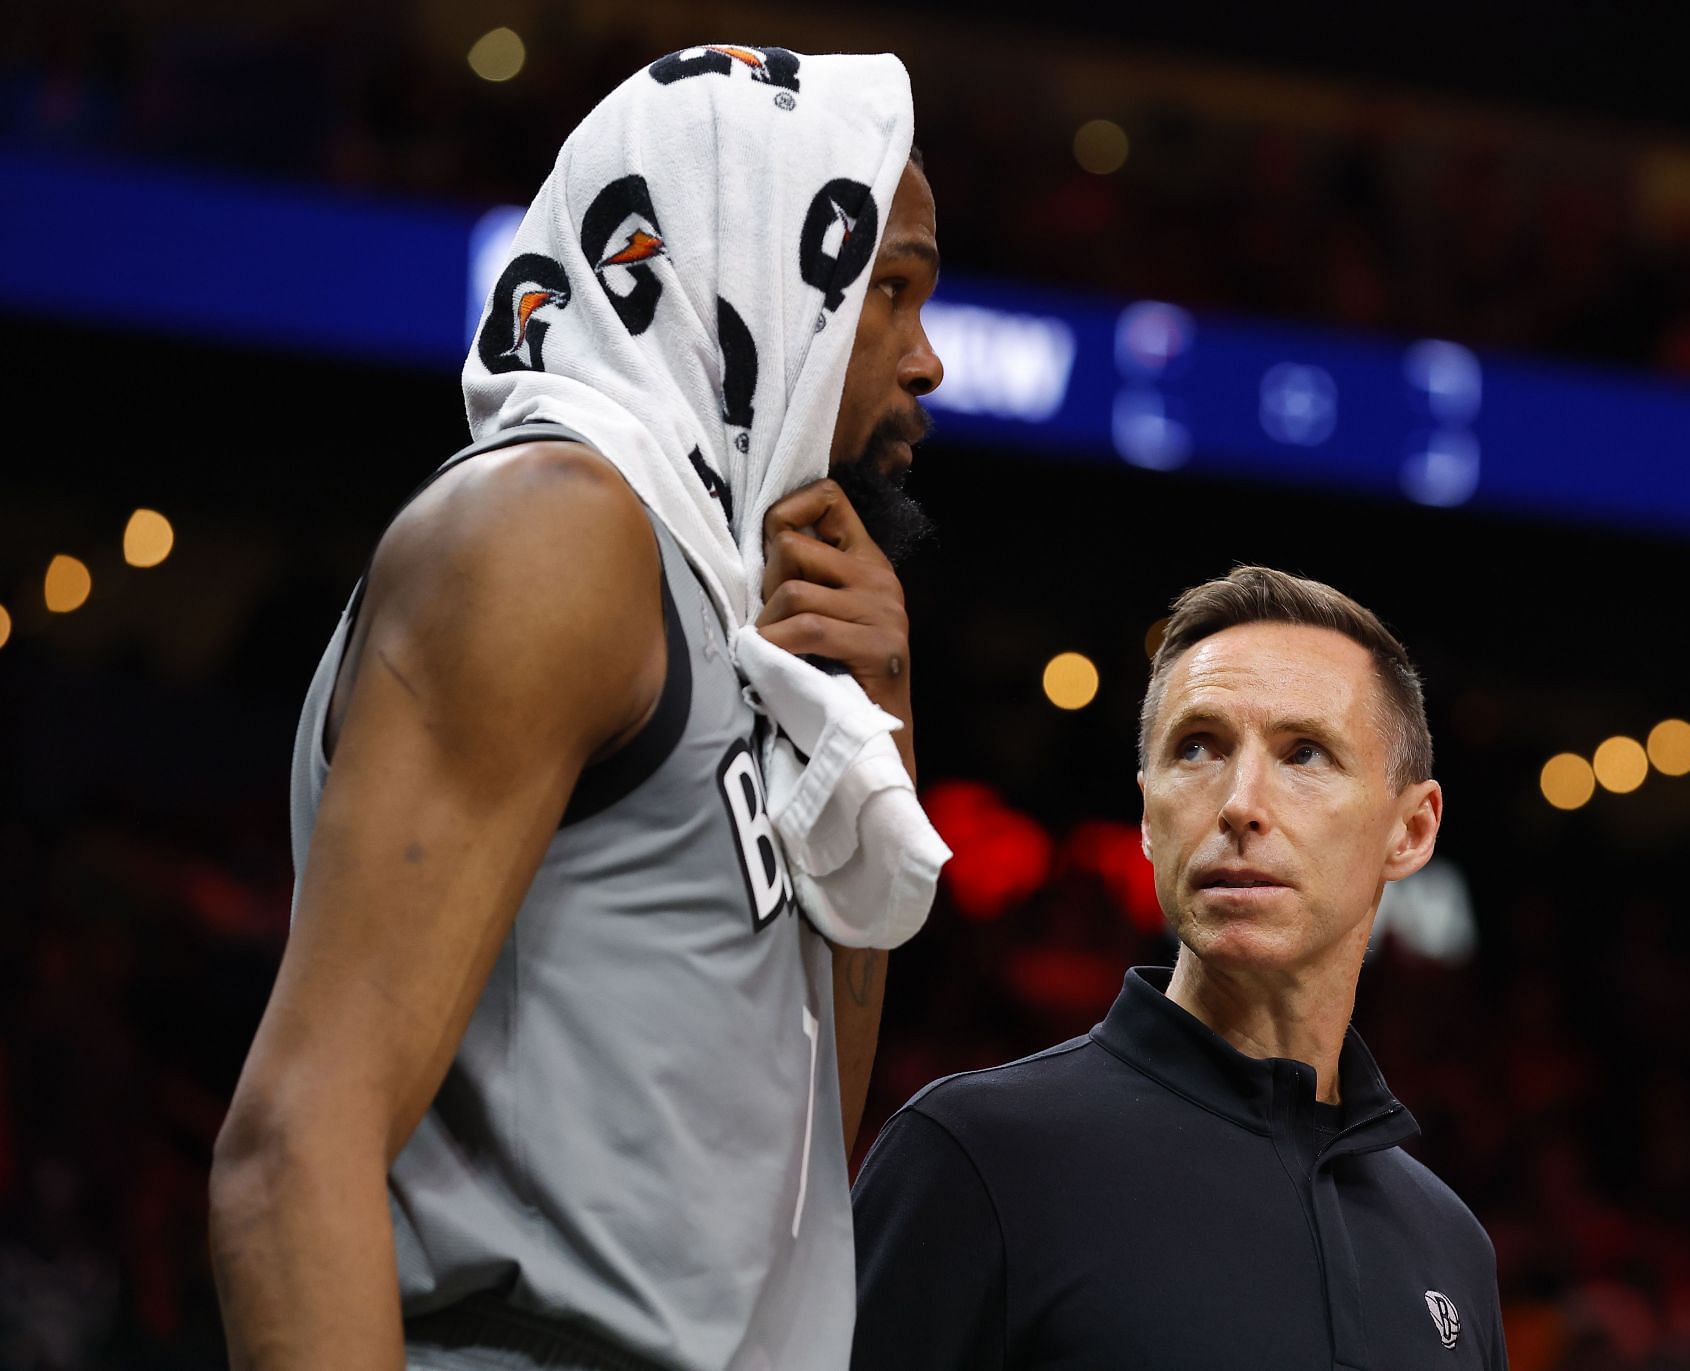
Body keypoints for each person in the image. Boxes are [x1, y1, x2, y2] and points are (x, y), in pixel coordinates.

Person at [209, 45, 945, 1371]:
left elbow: (792, 1197)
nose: (928, 356)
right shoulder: (555, 530)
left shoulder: (745, 612)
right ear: (749, 264)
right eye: (887, 288)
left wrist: (871, 722)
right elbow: (291, 1145)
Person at [851, 565, 1509, 1369]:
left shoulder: (1450, 1248)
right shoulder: (972, 1157)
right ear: (1149, 818)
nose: (1238, 802)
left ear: (1411, 829)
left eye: (1305, 752)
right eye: (1198, 748)